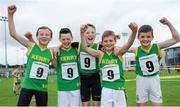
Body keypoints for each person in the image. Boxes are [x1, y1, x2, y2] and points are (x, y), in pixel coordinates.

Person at [81, 23, 138, 106]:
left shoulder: (118, 53)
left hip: (119, 89)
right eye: (106, 41)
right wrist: (82, 33)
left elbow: (128, 44)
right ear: (102, 43)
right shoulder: (100, 55)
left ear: (115, 41)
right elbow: (86, 48)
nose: (108, 43)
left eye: (111, 41)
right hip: (106, 90)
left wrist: (134, 32)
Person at [128, 17, 180, 106]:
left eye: (148, 36)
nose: (145, 39)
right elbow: (123, 48)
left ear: (152, 37)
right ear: (138, 38)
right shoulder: (136, 50)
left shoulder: (157, 47)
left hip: (154, 79)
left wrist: (168, 23)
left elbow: (176, 38)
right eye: (142, 37)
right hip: (141, 79)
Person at [8, 5, 53, 106]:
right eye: (41, 34)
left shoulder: (51, 51)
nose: (44, 36)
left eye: (47, 34)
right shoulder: (31, 46)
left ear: (50, 38)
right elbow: (13, 34)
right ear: (37, 37)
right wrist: (10, 15)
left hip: (42, 88)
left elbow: (65, 44)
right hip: (27, 86)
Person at [71, 24, 102, 106]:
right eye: (87, 32)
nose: (90, 34)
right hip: (83, 78)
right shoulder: (77, 46)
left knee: (97, 104)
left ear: (95, 34)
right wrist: (58, 46)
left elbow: (110, 46)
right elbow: (65, 43)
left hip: (95, 77)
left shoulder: (98, 46)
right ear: (83, 34)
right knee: (85, 104)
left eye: (93, 32)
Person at [52, 28, 81, 106]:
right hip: (62, 87)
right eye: (63, 39)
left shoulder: (77, 48)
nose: (66, 41)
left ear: (72, 38)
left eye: (68, 39)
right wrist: (54, 56)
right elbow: (56, 66)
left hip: (76, 86)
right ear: (59, 39)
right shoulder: (56, 51)